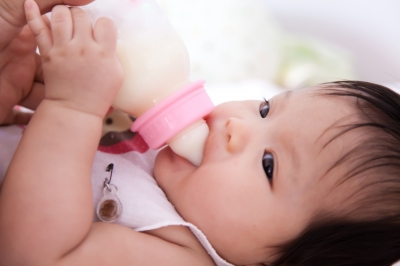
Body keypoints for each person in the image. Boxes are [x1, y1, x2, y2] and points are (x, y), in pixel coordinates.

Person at [0, 1, 400, 266]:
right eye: (266, 108)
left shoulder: (180, 256)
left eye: (268, 165)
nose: (235, 127)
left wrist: (73, 107)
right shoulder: (169, 164)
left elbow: (35, 255)